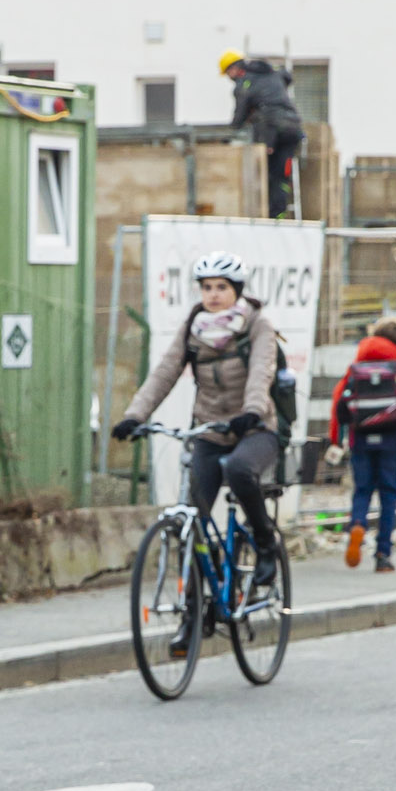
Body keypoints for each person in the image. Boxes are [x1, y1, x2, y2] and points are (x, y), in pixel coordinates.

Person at [111, 256, 281, 609]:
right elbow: (164, 373)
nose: (214, 294)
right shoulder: (194, 327)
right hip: (209, 431)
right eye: (207, 287)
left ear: (236, 291)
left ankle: (266, 542)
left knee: (237, 470)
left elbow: (261, 371)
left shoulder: (257, 325)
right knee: (191, 518)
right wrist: (134, 415)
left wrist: (251, 411)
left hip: (255, 429)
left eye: (222, 287)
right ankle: (193, 615)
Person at [328, 314, 396, 573]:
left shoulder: (354, 370)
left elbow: (338, 406)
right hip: (392, 440)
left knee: (362, 490)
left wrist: (335, 441)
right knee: (388, 495)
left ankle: (358, 524)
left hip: (360, 439)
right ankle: (383, 555)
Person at [220, 51, 304, 218]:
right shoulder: (272, 72)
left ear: (234, 68)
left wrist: (225, 138)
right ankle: (279, 214)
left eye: (228, 73)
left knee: (267, 173)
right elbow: (287, 77)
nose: (230, 77)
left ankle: (271, 216)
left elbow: (239, 116)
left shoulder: (244, 84)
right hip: (293, 127)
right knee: (281, 175)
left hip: (270, 130)